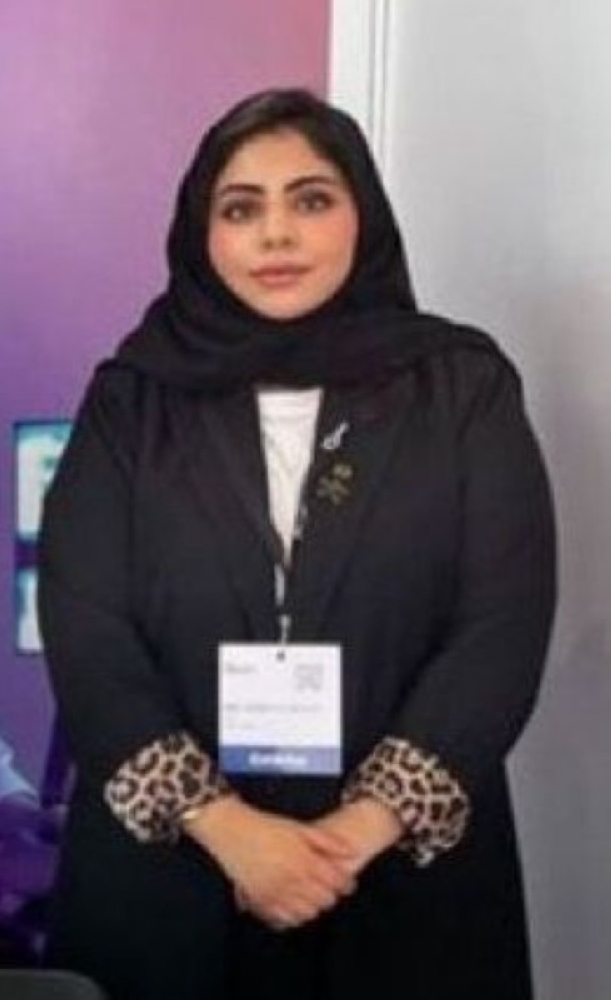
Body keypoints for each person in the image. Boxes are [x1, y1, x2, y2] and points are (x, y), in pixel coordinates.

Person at [38, 88, 556, 1000]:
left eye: (311, 199)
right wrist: (226, 827)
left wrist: (356, 833)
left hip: (400, 878)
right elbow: (87, 627)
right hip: (175, 872)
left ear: (364, 215)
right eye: (241, 209)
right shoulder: (134, 397)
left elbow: (500, 627)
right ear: (202, 233)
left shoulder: (459, 387)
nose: (276, 234)